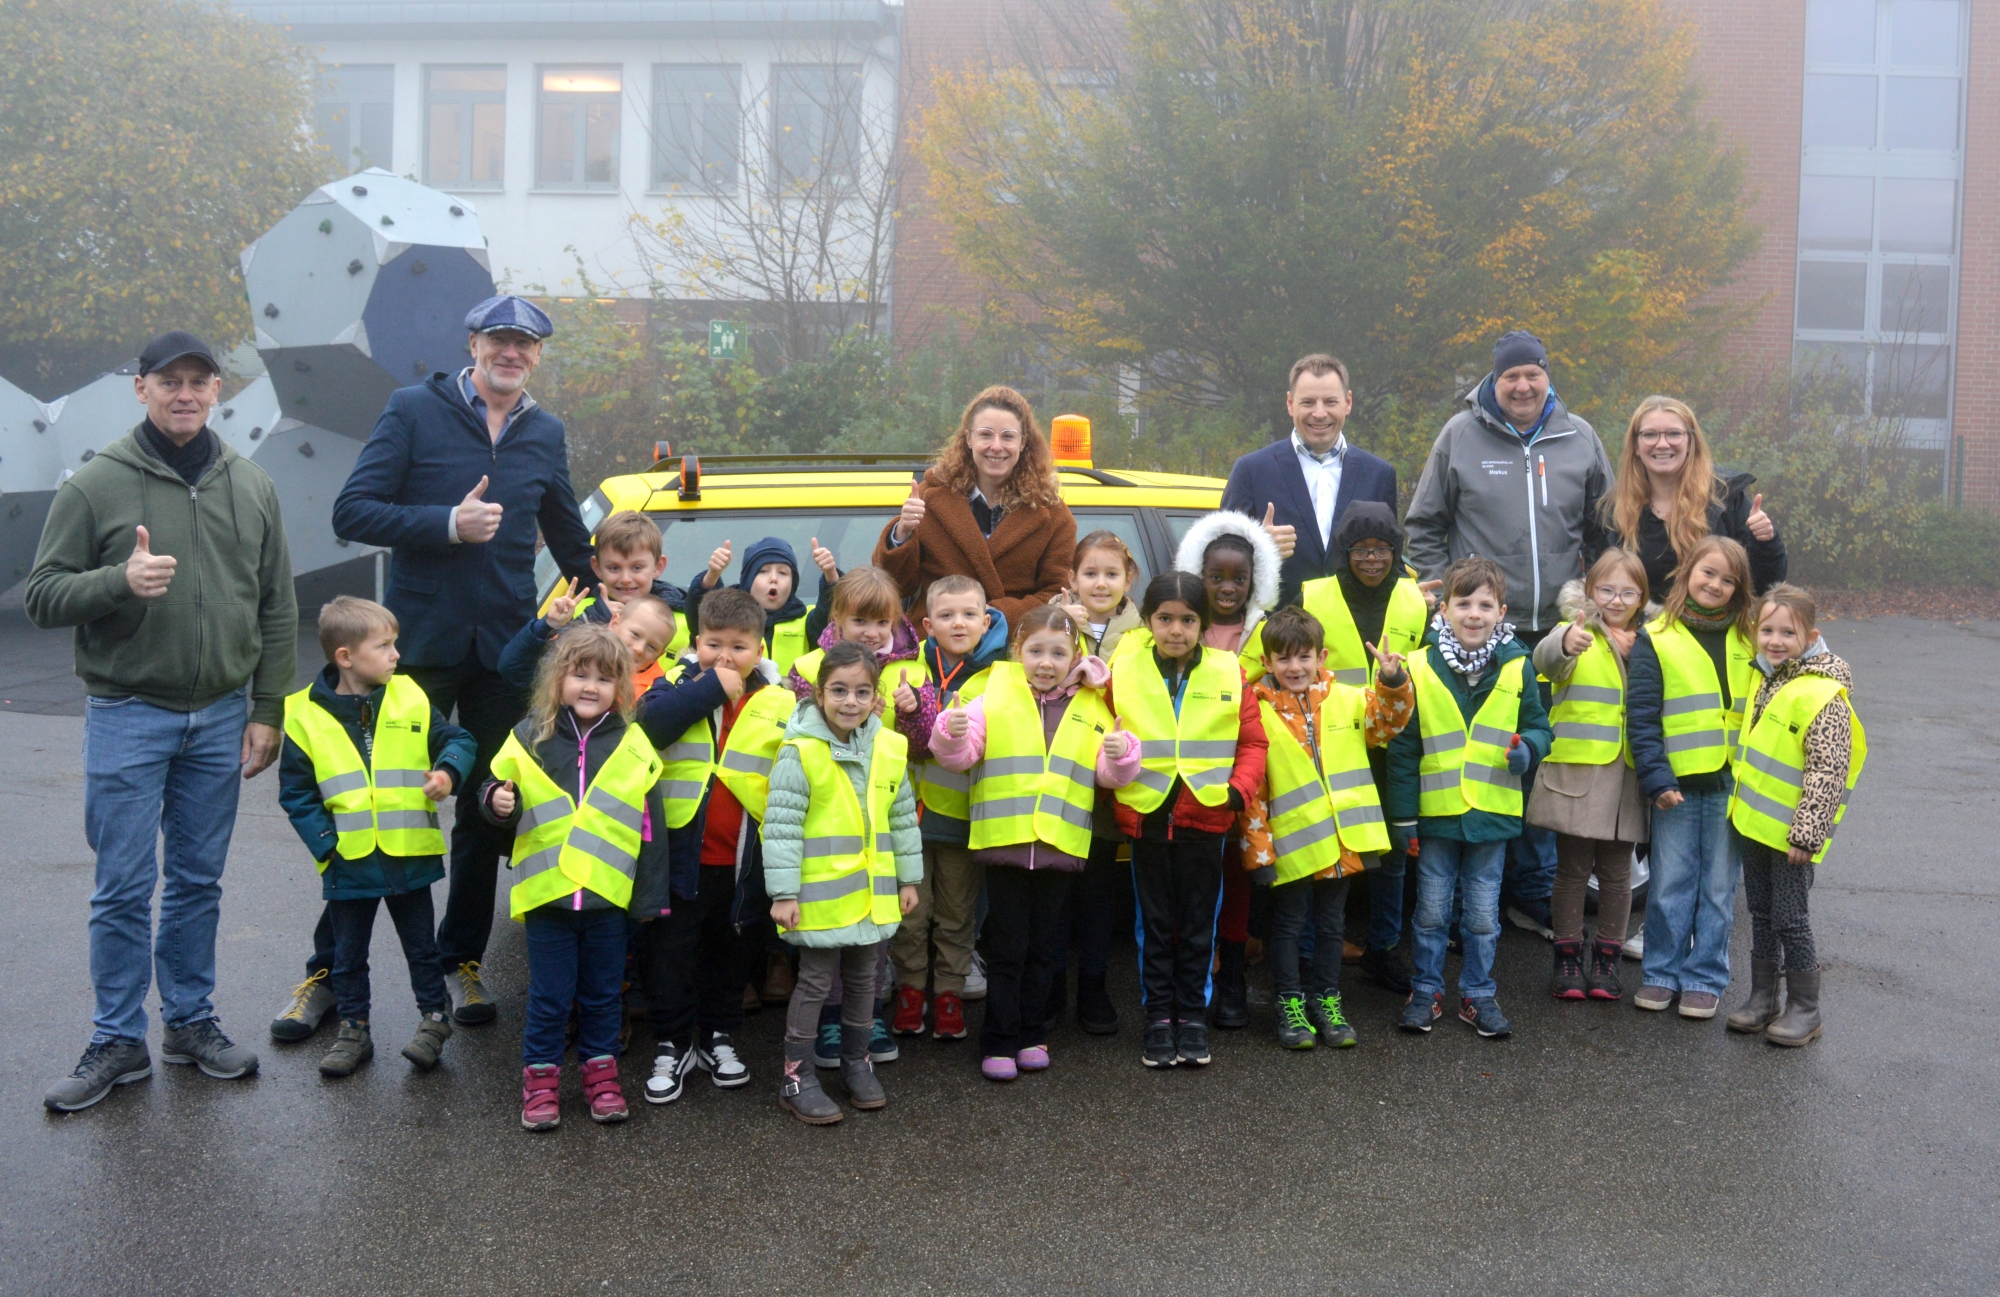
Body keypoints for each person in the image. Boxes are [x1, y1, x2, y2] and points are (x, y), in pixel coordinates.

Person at [33, 329, 296, 1113]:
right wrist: (118, 579)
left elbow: (278, 604)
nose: (185, 393)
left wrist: (267, 708)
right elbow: (43, 594)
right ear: (139, 387)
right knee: (121, 885)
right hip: (127, 712)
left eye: (200, 380)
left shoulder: (251, 484)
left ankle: (189, 1020)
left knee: (195, 882)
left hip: (219, 716)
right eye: (169, 380)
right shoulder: (95, 485)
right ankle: (117, 1036)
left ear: (219, 391)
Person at [328, 294, 596, 1028]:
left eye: (527, 344)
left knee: (486, 808)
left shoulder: (544, 431)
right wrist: (447, 523)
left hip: (504, 653)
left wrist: (637, 609)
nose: (512, 353)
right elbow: (352, 510)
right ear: (473, 341)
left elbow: (572, 542)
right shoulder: (413, 408)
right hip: (413, 647)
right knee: (377, 805)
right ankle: (327, 969)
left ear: (538, 354)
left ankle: (463, 959)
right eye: (500, 340)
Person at [1402, 329, 1613, 943]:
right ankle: (1470, 892)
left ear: (1548, 377)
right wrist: (1450, 602)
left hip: (1559, 629)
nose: (1522, 386)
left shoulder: (1580, 437)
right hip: (1480, 632)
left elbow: (1604, 528)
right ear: (1492, 383)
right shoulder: (1459, 436)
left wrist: (1593, 598)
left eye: (1532, 374)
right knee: (1485, 753)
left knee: (1542, 753)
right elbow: (1423, 525)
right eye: (1509, 376)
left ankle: (1533, 889)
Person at [928, 605, 1141, 1080]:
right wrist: (948, 730)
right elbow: (961, 757)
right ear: (1017, 652)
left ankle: (1031, 1035)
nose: (1046, 662)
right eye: (1036, 651)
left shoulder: (1091, 706)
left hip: (1059, 849)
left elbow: (1107, 775)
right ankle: (999, 1039)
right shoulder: (990, 695)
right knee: (1007, 950)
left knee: (1045, 949)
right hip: (1004, 845)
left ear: (1075, 656)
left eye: (1058, 653)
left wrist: (1124, 755)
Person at [278, 598, 475, 1078]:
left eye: (394, 644)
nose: (395, 655)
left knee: (421, 948)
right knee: (348, 955)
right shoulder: (304, 714)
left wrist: (448, 773)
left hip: (410, 855)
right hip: (349, 860)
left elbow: (458, 739)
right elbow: (296, 791)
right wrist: (327, 845)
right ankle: (353, 1028)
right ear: (345, 657)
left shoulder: (409, 695)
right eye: (383, 646)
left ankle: (434, 1020)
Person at [482, 625, 668, 1131]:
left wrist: (649, 898)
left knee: (605, 996)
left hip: (609, 901)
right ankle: (540, 1083)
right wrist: (496, 803)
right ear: (557, 679)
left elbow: (651, 828)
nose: (590, 686)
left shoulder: (635, 745)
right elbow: (498, 795)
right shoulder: (529, 736)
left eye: (604, 679)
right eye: (579, 674)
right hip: (548, 900)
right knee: (550, 997)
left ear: (622, 688)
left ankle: (601, 1079)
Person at [1106, 572, 1268, 1069]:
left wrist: (1238, 793)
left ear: (1203, 623)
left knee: (1200, 924)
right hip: (1148, 817)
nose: (1176, 630)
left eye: (1188, 620)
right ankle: (1158, 1017)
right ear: (1149, 620)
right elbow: (1104, 726)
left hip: (1208, 817)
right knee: (1154, 925)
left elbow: (1253, 743)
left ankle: (1192, 1016)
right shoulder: (1125, 667)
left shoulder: (1227, 670)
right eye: (1165, 619)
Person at [1387, 557, 1552, 1041]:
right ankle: (1425, 989)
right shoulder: (1419, 664)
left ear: (1501, 611)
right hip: (1436, 816)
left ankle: (1478, 993)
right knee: (1432, 911)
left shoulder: (1519, 666)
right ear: (1444, 609)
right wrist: (1402, 818)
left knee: (1482, 916)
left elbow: (1540, 729)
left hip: (1492, 814)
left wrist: (1529, 755)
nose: (1474, 614)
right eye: (1464, 603)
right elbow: (1403, 746)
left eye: (1485, 605)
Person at [762, 643, 924, 1124]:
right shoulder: (799, 751)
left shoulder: (890, 748)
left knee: (865, 982)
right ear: (817, 693)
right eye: (838, 690)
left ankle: (857, 1064)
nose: (849, 701)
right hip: (819, 897)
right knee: (814, 983)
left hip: (873, 894)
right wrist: (784, 894)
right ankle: (797, 1078)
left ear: (876, 697)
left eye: (861, 691)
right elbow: (782, 827)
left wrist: (908, 880)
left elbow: (901, 818)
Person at [624, 588, 772, 1105]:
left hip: (742, 860)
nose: (726, 656)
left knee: (730, 954)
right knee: (670, 954)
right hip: (682, 856)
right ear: (694, 644)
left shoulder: (777, 700)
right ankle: (671, 1042)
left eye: (739, 646)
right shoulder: (676, 686)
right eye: (713, 644)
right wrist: (711, 685)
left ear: (761, 648)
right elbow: (651, 725)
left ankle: (718, 1037)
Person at [1241, 607, 1412, 1051]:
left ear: (1322, 656)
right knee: (1289, 924)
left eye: (1303, 657)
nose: (1294, 668)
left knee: (1332, 926)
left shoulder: (1350, 697)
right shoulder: (1256, 710)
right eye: (1283, 659)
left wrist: (1392, 683)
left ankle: (1327, 999)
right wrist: (1257, 852)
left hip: (1343, 842)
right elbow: (1254, 790)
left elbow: (1386, 725)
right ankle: (1290, 1004)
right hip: (1293, 846)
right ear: (1268, 661)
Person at [1625, 535, 1758, 1020]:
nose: (1716, 584)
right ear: (1687, 574)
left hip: (1733, 784)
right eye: (1708, 573)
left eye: (1729, 579)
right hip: (1675, 788)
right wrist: (1656, 779)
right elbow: (1641, 718)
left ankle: (1705, 977)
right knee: (1668, 886)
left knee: (1719, 889)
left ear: (1740, 589)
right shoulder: (1656, 636)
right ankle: (1662, 973)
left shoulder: (1751, 638)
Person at [1725, 584, 1864, 1048]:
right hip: (1755, 827)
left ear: (1811, 635)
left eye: (1789, 631)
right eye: (1767, 630)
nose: (1776, 639)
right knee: (1761, 913)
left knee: (1790, 917)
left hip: (1792, 837)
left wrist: (1806, 835)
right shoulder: (1767, 677)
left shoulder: (1823, 695)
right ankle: (1763, 997)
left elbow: (1828, 770)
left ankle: (1806, 1009)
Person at [1302, 501, 1433, 994]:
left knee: (1393, 853)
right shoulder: (1312, 594)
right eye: (1362, 549)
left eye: (1382, 549)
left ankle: (1382, 949)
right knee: (1326, 846)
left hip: (1395, 742)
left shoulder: (1414, 599)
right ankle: (1314, 954)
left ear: (1395, 551)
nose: (1372, 559)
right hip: (1332, 740)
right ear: (1345, 550)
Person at [888, 574, 1009, 1041]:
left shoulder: (1001, 675)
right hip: (909, 819)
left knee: (958, 914)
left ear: (986, 620)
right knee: (912, 915)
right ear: (927, 624)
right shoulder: (907, 667)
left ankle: (950, 994)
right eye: (946, 615)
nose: (958, 623)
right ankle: (911, 991)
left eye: (968, 614)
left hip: (963, 818)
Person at [1527, 551, 1652, 1003]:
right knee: (1573, 869)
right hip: (1579, 775)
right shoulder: (1575, 631)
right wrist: (1564, 643)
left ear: (1641, 597)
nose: (1616, 600)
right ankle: (1566, 960)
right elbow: (1545, 662)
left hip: (1627, 779)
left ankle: (1606, 963)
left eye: (1627, 592)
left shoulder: (1650, 641)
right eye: (1607, 590)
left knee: (1618, 874)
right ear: (1590, 592)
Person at [1173, 511, 1282, 1026]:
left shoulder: (1264, 631)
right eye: (1216, 577)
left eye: (1239, 579)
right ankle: (1200, 966)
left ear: (1255, 580)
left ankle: (1233, 972)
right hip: (1192, 773)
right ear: (1199, 574)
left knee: (1239, 873)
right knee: (1194, 877)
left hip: (1249, 776)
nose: (1227, 588)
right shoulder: (1182, 624)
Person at [874, 386, 1076, 626]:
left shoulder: (1052, 513)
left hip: (1014, 652)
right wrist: (902, 533)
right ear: (969, 438)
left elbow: (1058, 595)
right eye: (986, 434)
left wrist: (995, 615)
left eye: (1008, 436)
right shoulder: (929, 497)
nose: (997, 446)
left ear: (1023, 443)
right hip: (934, 649)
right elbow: (894, 586)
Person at [1220, 354, 1401, 611]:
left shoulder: (1379, 474)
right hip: (1276, 638)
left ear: (1348, 403)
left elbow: (1391, 560)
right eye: (1308, 402)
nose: (1319, 413)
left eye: (1330, 402)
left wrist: (1414, 597)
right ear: (1290, 404)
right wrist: (1257, 546)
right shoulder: (1251, 471)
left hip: (1356, 636)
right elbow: (1218, 560)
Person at [1053, 531, 1145, 1031]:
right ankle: (1048, 991)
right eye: (1089, 573)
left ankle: (1092, 988)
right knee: (1054, 892)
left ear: (1129, 579)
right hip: (1057, 776)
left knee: (1097, 894)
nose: (1100, 583)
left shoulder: (1142, 633)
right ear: (1072, 578)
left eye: (1111, 574)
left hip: (1110, 780)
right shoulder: (1052, 622)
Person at [1604, 395, 1785, 597]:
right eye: (1650, 435)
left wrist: (1766, 542)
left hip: (1715, 627)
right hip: (1638, 628)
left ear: (1691, 442)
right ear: (1636, 446)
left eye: (1673, 434)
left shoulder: (1725, 497)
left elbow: (1766, 586)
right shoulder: (1614, 509)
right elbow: (1600, 586)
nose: (1662, 444)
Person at [569, 510, 691, 677]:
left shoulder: (684, 621)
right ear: (597, 568)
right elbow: (552, 662)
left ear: (658, 567)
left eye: (637, 568)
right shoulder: (578, 611)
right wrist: (593, 618)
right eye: (614, 568)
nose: (625, 579)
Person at [691, 535, 826, 675]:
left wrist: (830, 576)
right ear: (747, 580)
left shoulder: (807, 620)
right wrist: (712, 575)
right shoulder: (727, 614)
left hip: (794, 697)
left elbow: (830, 614)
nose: (774, 578)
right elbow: (699, 616)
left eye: (783, 573)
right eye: (763, 571)